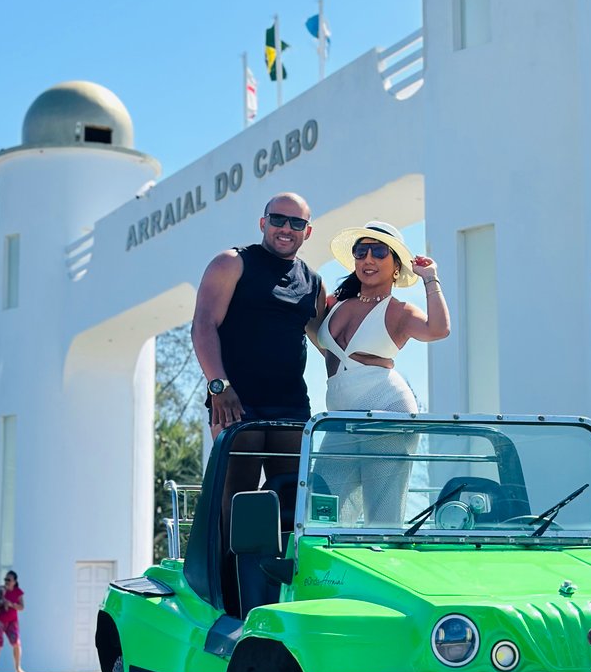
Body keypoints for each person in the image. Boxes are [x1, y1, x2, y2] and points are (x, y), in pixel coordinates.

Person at [191, 191, 327, 519]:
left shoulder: (313, 282)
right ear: (263, 223)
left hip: (291, 405)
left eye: (297, 222)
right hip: (236, 400)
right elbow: (203, 326)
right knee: (237, 495)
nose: (286, 228)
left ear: (307, 231)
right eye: (278, 219)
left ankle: (276, 571)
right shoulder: (232, 263)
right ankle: (225, 571)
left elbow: (331, 341)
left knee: (292, 499)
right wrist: (219, 386)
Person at [316, 221, 450, 525]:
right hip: (340, 419)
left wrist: (430, 278)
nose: (368, 259)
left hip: (387, 412)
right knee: (321, 507)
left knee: (382, 515)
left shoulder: (400, 311)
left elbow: (439, 329)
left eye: (379, 252)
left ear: (396, 266)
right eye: (361, 251)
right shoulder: (336, 303)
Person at [0, 570, 25, 672]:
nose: (6, 581)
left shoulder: (18, 592)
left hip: (12, 621)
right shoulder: (0, 590)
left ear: (14, 581)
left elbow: (22, 607)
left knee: (16, 643)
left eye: (9, 579)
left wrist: (11, 604)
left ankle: (18, 668)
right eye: (5, 579)